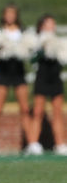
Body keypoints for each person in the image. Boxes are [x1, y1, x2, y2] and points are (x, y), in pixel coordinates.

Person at [0, 4, 35, 156]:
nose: (10, 16)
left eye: (13, 14)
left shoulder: (23, 32)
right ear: (4, 15)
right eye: (7, 14)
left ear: (16, 15)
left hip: (18, 72)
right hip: (3, 73)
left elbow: (30, 49)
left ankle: (32, 143)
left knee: (24, 108)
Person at [26, 15, 67, 155]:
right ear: (42, 26)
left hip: (55, 77)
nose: (52, 27)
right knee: (38, 112)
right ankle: (33, 143)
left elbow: (63, 59)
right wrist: (42, 49)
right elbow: (32, 59)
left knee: (57, 112)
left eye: (53, 24)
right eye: (49, 24)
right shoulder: (37, 40)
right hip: (42, 77)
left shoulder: (59, 41)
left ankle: (60, 144)